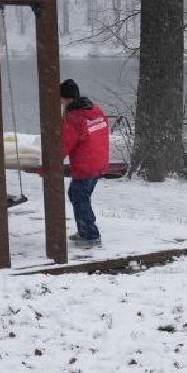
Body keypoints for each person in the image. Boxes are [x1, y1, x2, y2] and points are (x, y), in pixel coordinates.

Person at [59, 78, 111, 248]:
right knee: (77, 194)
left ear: (66, 99)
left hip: (85, 165)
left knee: (79, 198)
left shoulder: (74, 117)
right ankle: (85, 230)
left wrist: (47, 164)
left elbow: (64, 145)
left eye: (61, 100)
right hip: (98, 162)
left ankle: (91, 235)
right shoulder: (94, 109)